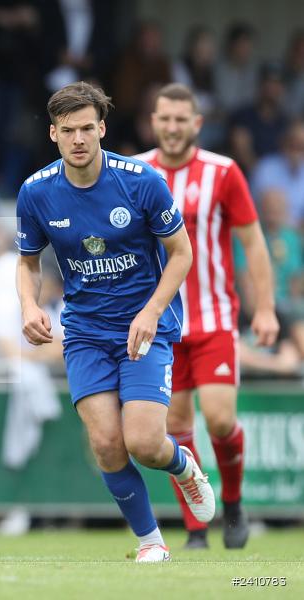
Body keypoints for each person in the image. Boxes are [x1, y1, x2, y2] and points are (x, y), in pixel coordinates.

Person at [16, 81, 213, 563]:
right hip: (85, 333)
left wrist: (151, 311)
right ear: (53, 134)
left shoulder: (141, 181)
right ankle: (151, 542)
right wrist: (29, 306)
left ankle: (182, 465)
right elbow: (27, 262)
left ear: (102, 129)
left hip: (144, 328)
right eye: (68, 131)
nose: (78, 139)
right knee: (106, 444)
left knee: (144, 443)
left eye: (87, 128)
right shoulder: (36, 192)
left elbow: (182, 253)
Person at [139, 82, 279, 550]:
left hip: (215, 317)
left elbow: (253, 242)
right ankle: (196, 528)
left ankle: (233, 504)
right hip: (162, 322)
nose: (172, 127)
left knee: (219, 419)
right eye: (165, 118)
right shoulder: (136, 172)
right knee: (176, 426)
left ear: (197, 124)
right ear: (153, 121)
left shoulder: (223, 171)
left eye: (181, 119)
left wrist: (265, 309)